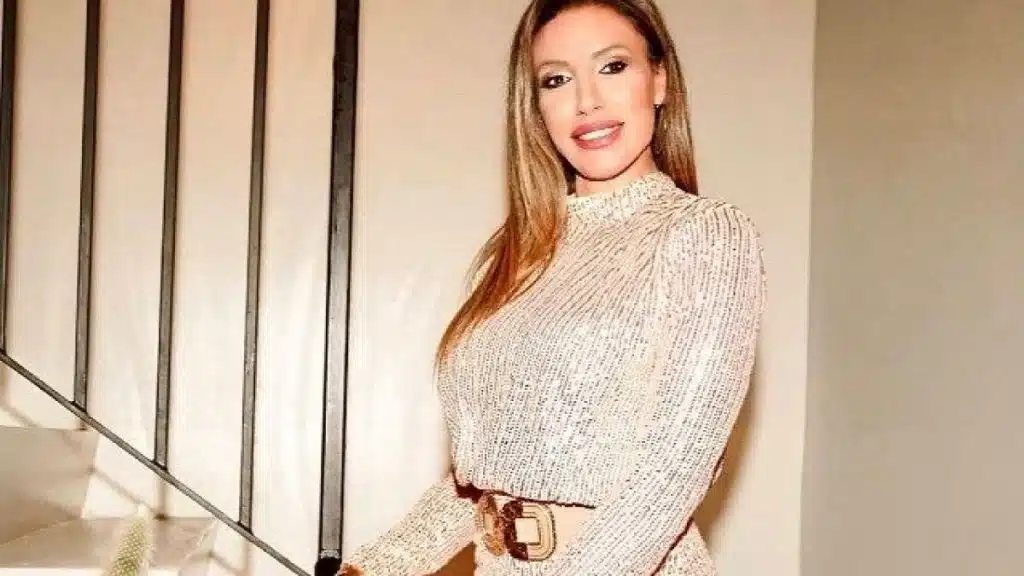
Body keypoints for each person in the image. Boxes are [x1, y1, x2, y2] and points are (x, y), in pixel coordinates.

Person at [338, 0, 766, 574]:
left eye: (612, 67)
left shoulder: (704, 233)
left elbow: (673, 470)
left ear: (660, 80)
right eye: (557, 80)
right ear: (536, 106)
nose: (587, 100)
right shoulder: (514, 251)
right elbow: (483, 479)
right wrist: (374, 567)